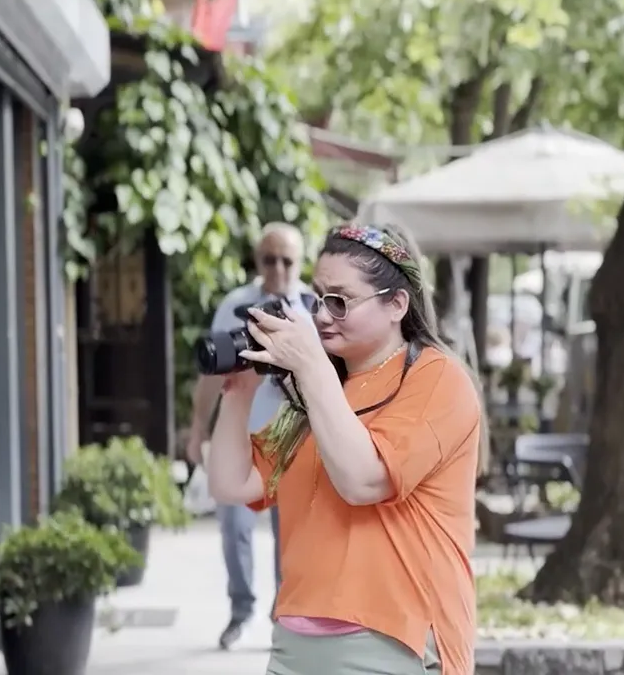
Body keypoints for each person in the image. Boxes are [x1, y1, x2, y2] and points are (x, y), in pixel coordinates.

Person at [206, 223, 483, 675]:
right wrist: (237, 393)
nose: (321, 315)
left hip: (393, 642)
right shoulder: (319, 392)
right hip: (295, 642)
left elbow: (363, 479)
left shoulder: (437, 379)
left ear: (396, 304)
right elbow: (231, 483)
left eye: (340, 301)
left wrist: (311, 367)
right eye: (318, 298)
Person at [187, 222, 310, 650]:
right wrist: (198, 427)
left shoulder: (314, 305)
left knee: (290, 536)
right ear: (257, 262)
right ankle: (241, 611)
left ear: (300, 261)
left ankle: (285, 617)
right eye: (268, 259)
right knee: (233, 527)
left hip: (293, 441)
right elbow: (211, 371)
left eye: (287, 260)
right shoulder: (236, 305)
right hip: (242, 438)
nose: (277, 269)